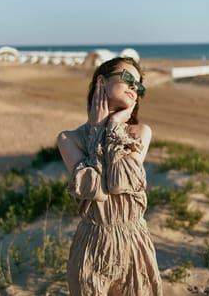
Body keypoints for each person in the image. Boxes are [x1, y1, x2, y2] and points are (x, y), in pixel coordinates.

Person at [57, 56, 163, 296]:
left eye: (139, 86)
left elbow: (118, 183)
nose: (135, 87)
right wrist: (96, 132)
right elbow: (96, 190)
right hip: (91, 247)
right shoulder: (68, 139)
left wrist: (114, 124)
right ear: (101, 82)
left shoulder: (140, 133)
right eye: (127, 78)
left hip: (134, 244)